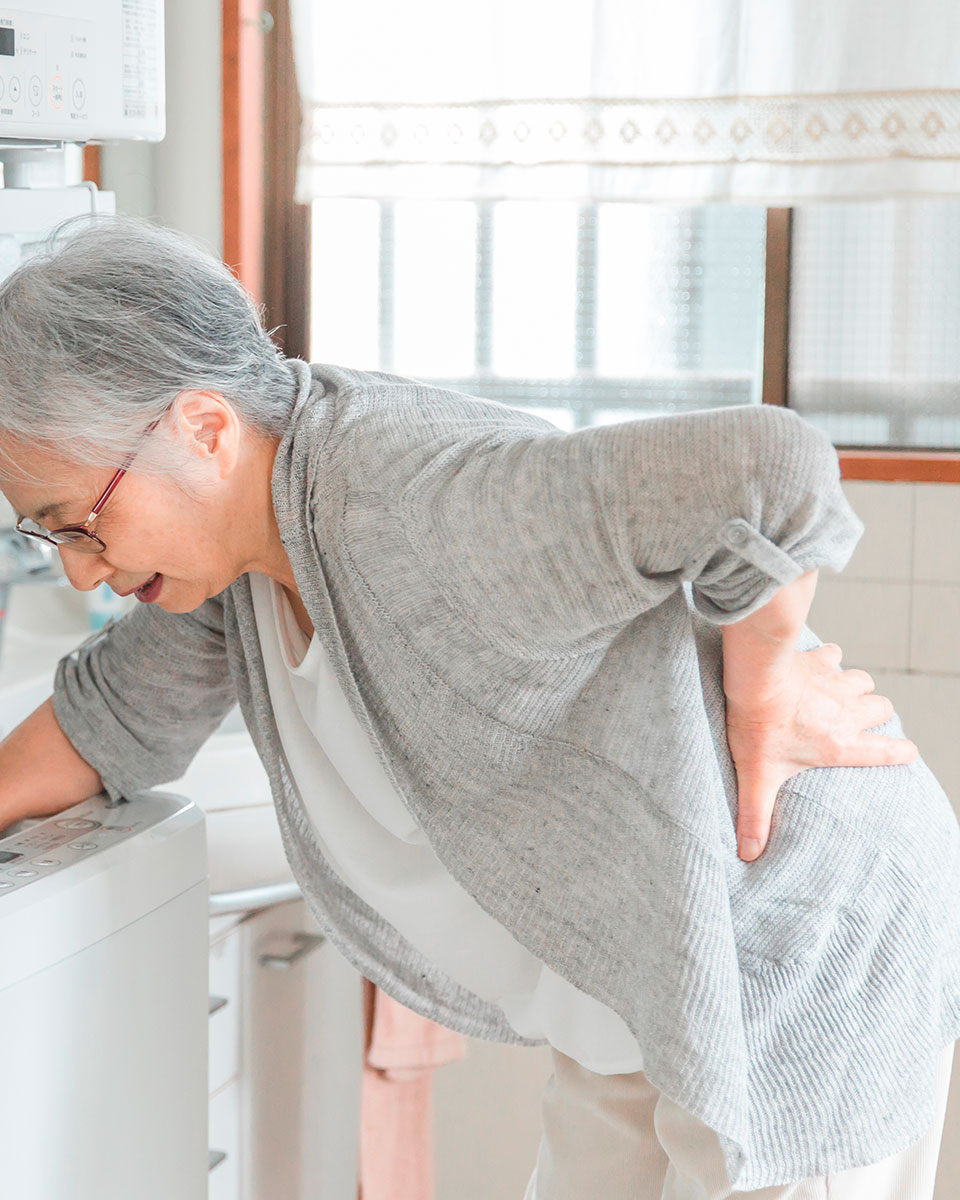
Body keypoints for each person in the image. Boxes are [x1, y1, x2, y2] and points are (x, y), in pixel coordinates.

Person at [0, 214, 956, 1198]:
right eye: (46, 536)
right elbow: (97, 724)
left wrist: (763, 688)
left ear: (203, 429)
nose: (82, 570)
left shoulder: (418, 503)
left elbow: (774, 467)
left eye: (80, 521)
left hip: (796, 944)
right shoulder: (228, 561)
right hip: (642, 973)